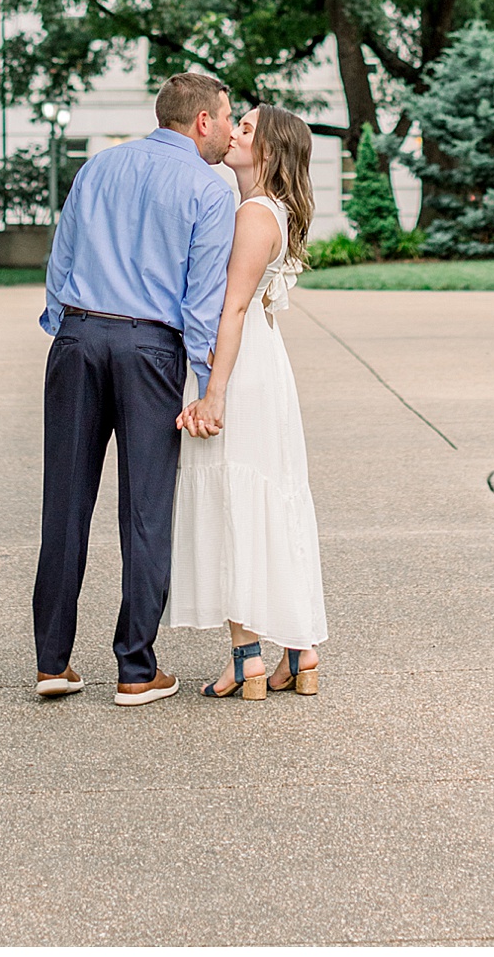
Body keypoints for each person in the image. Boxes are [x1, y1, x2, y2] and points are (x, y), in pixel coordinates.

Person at [33, 72, 237, 705]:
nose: (231, 131)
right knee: (145, 507)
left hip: (78, 338)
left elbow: (60, 260)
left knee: (64, 502)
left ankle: (51, 662)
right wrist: (205, 385)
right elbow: (203, 302)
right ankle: (136, 668)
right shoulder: (210, 189)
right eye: (227, 117)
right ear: (202, 121)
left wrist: (64, 328)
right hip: (149, 345)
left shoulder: (98, 167)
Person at [168, 102, 328, 698]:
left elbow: (231, 307)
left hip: (239, 365)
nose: (234, 132)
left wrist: (213, 393)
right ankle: (300, 651)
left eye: (247, 128)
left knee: (238, 502)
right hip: (261, 360)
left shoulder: (255, 214)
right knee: (270, 498)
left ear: (270, 150)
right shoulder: (267, 210)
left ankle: (246, 658)